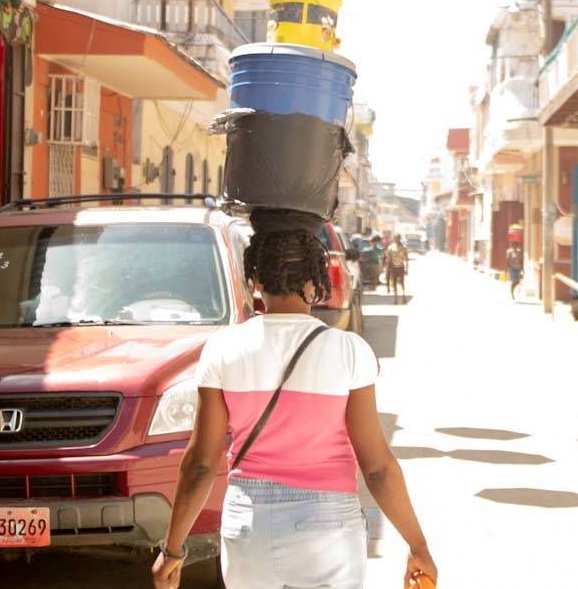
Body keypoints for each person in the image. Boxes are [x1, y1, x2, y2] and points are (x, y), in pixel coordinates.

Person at [152, 230, 436, 589]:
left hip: (248, 523)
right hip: (328, 526)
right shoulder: (349, 350)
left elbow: (200, 464)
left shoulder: (222, 349)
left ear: (255, 282)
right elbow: (377, 468)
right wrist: (418, 545)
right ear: (317, 284)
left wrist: (173, 549)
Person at [385, 234, 409, 304]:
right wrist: (387, 267)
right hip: (393, 267)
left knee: (402, 283)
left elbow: (406, 258)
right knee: (394, 283)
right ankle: (396, 299)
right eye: (395, 238)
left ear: (399, 238)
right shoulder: (391, 247)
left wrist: (407, 269)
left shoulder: (403, 247)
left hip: (401, 267)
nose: (396, 239)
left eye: (397, 238)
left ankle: (404, 297)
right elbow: (388, 258)